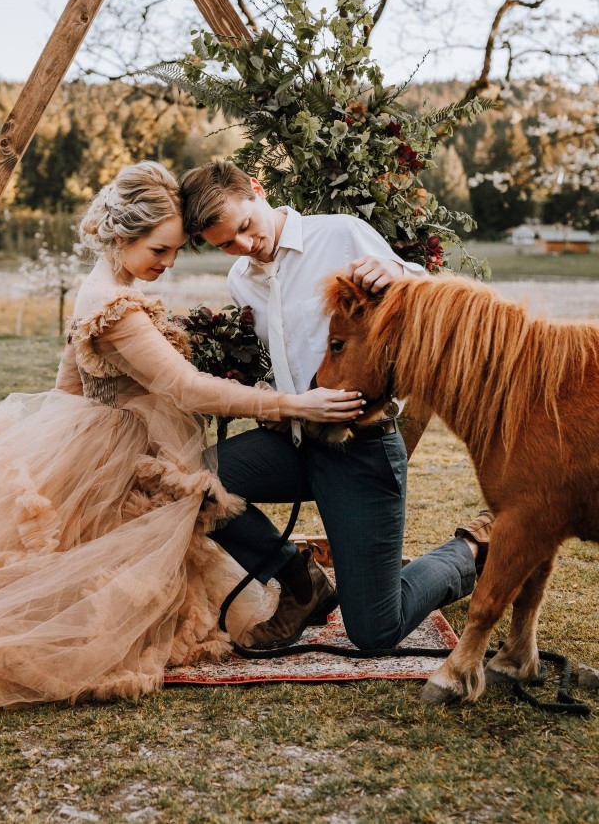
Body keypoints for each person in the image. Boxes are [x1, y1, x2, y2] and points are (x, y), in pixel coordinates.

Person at [0, 161, 357, 723]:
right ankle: (296, 574)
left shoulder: (109, 284)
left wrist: (64, 441)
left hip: (113, 437)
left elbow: (69, 380)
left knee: (194, 494)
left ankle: (296, 576)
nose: (168, 263)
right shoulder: (113, 306)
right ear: (123, 237)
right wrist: (292, 403)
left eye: (176, 252)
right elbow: (183, 387)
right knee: (174, 510)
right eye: (160, 251)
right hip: (121, 440)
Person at [179, 160, 493, 652]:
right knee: (192, 485)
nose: (243, 246)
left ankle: (471, 549)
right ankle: (301, 583)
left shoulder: (342, 235)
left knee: (375, 631)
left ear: (257, 191)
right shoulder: (242, 279)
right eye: (225, 244)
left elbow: (432, 303)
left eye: (244, 227)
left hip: (362, 451)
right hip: (295, 444)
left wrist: (399, 273)